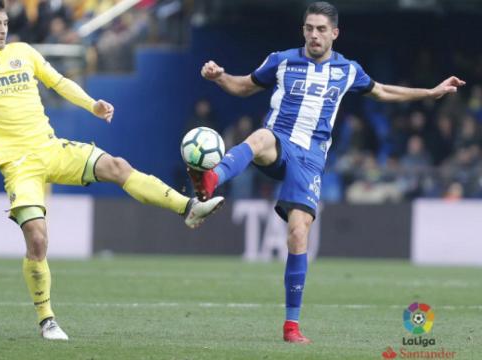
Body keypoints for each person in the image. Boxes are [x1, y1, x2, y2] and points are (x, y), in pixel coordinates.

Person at [0, 0, 223, 341]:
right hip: (19, 167)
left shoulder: (24, 53)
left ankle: (189, 208)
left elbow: (57, 81)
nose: (3, 29)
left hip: (51, 149)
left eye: (5, 23)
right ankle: (47, 319)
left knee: (117, 166)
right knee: (38, 241)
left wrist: (92, 104)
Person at [189, 1, 465, 344]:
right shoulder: (281, 60)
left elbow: (382, 91)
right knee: (260, 137)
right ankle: (210, 179)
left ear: (334, 33)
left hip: (310, 160)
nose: (314, 35)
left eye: (321, 29)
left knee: (298, 233)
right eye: (309, 28)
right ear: (303, 30)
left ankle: (291, 327)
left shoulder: (348, 70)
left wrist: (430, 91)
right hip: (279, 142)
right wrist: (220, 78)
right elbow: (243, 86)